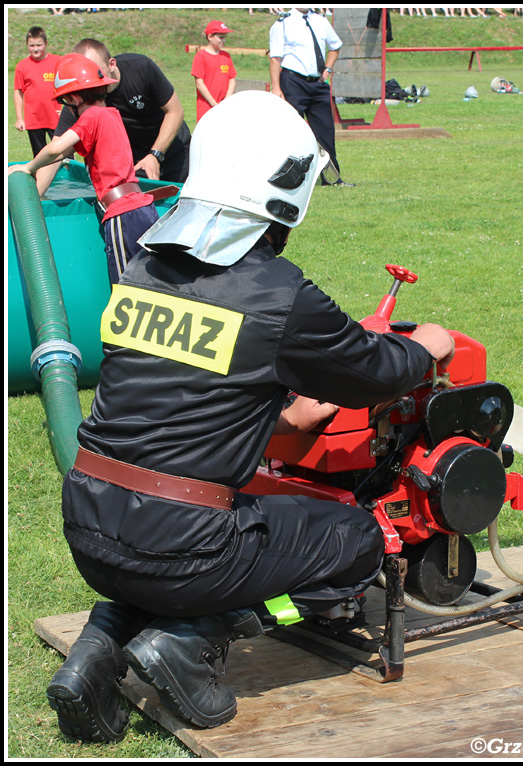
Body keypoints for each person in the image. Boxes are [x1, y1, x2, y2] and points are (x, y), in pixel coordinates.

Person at [44, 91, 455, 743]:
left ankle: (96, 650)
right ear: (285, 188)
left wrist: (291, 413)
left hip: (90, 528)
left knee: (166, 551)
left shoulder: (144, 265)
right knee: (360, 539)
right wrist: (428, 345)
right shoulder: (277, 292)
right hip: (180, 549)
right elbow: (378, 371)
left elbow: (191, 393)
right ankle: (194, 635)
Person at [9, 53, 159, 286]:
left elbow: (55, 147)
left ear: (75, 97)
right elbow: (64, 153)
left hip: (122, 213)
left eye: (66, 103)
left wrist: (27, 167)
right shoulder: (110, 114)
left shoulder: (91, 117)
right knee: (148, 285)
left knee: (124, 287)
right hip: (142, 208)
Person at [35, 38, 191, 197]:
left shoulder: (140, 68)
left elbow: (175, 111)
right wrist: (34, 200)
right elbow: (56, 151)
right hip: (135, 164)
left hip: (174, 151)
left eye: (96, 71)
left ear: (112, 64)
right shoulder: (82, 98)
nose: (90, 81)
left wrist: (155, 155)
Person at [269, 7, 354, 186]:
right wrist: (276, 87)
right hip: (293, 81)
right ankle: (293, 180)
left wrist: (328, 68)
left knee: (326, 132)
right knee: (294, 133)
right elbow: (275, 58)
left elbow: (335, 46)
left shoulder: (320, 20)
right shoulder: (282, 23)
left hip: (317, 83)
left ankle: (332, 179)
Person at [13, 26, 62, 157]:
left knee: (64, 153)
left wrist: (68, 109)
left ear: (46, 43)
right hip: (34, 119)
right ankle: (41, 177)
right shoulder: (22, 66)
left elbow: (69, 86)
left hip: (56, 117)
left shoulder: (58, 61)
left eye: (39, 45)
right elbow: (18, 92)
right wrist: (19, 118)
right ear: (26, 45)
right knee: (40, 156)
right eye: (31, 45)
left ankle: (66, 178)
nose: (35, 49)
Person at [191, 20, 237, 122]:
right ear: (210, 37)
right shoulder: (201, 56)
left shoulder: (226, 56)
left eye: (225, 37)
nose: (224, 40)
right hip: (206, 108)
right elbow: (199, 83)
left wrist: (226, 101)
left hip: (224, 107)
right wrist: (214, 104)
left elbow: (232, 79)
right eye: (221, 37)